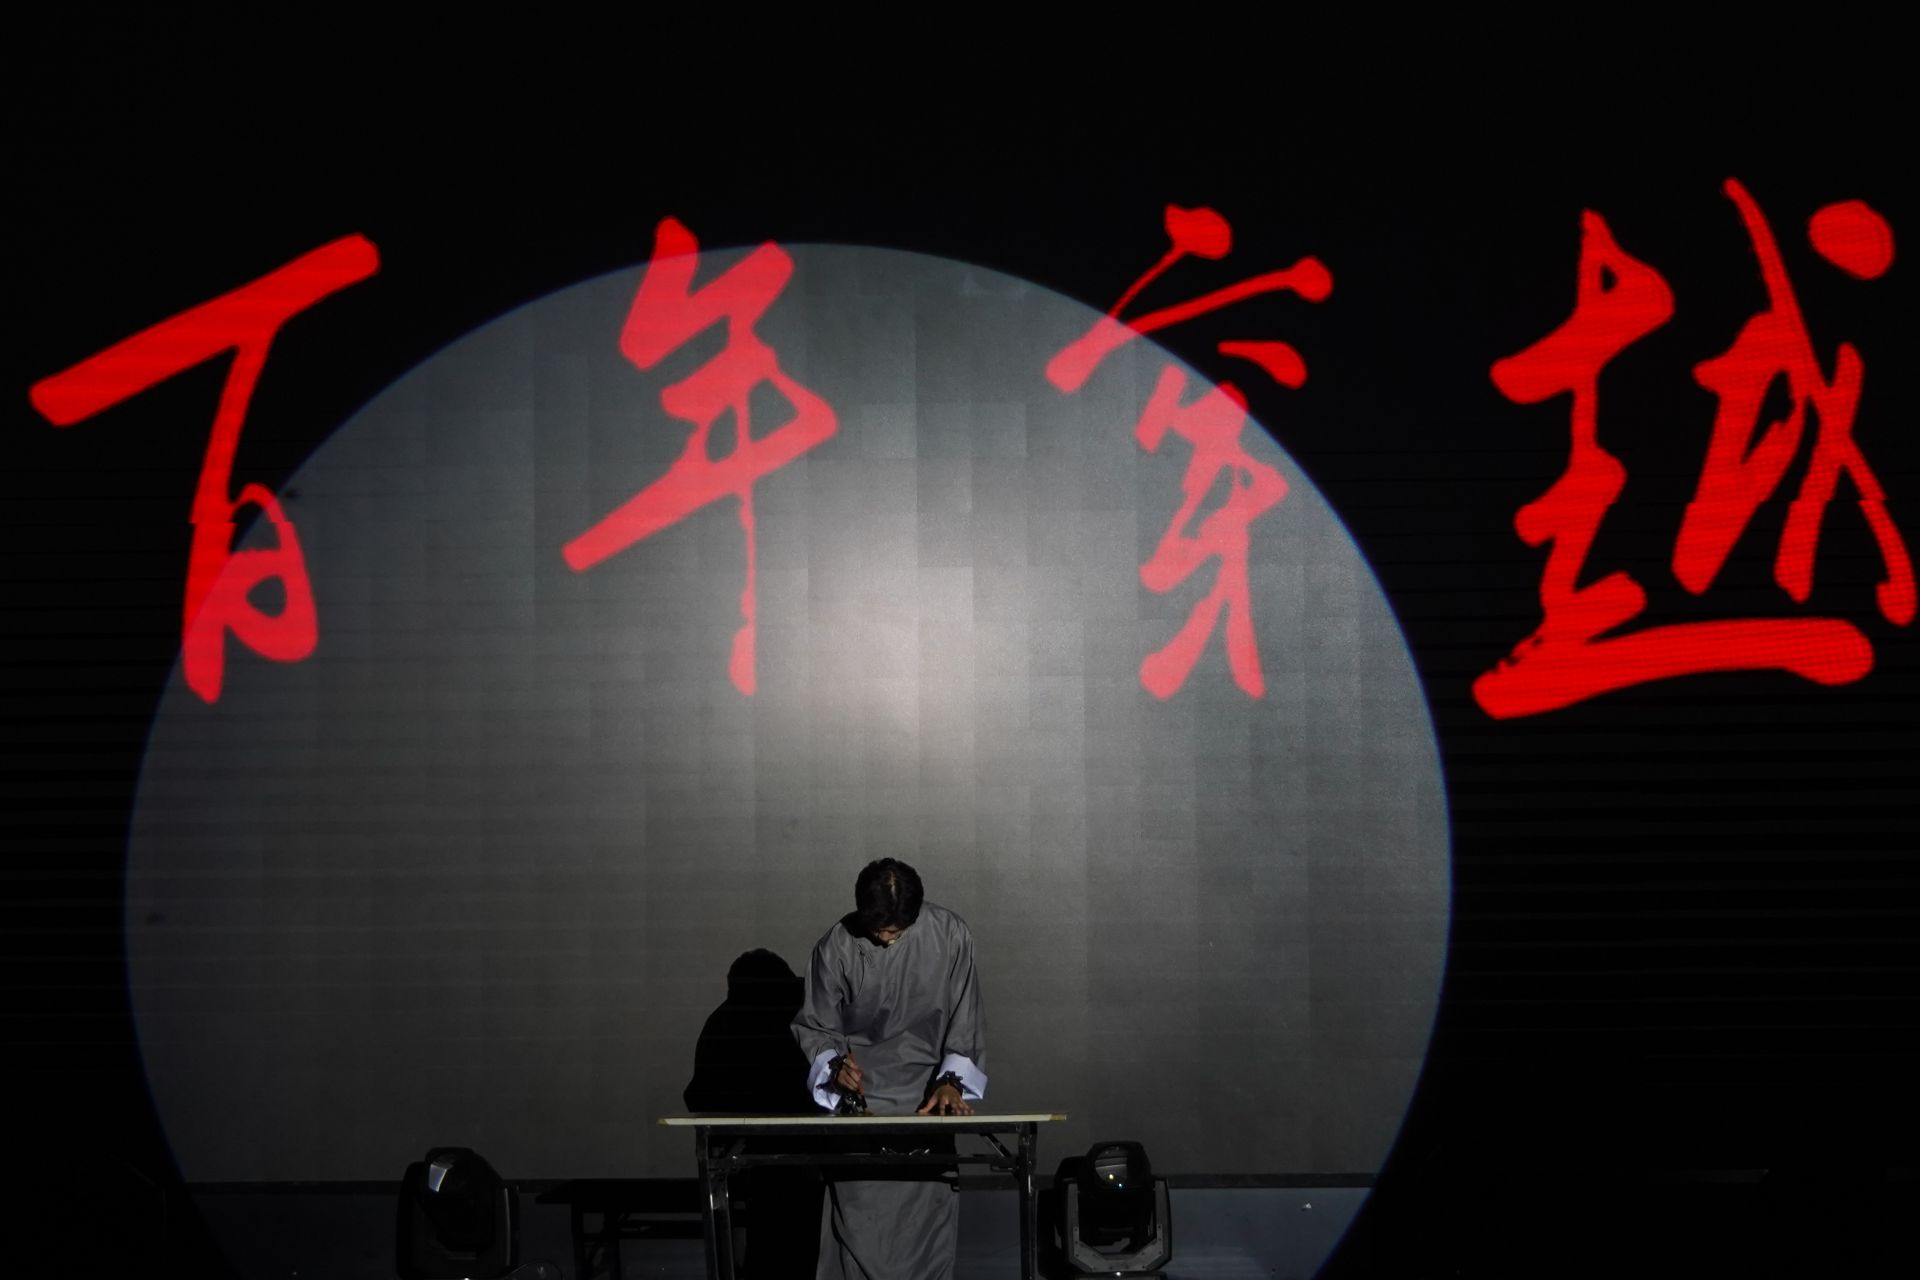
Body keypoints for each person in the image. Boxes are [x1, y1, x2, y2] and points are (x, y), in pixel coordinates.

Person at [791, 858, 986, 1280]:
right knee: (858, 1235)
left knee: (926, 1239)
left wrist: (951, 1082)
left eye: (896, 930)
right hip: (861, 1107)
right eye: (878, 928)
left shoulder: (951, 934)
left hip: (928, 1104)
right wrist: (834, 1066)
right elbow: (816, 1025)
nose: (885, 938)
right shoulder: (837, 946)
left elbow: (965, 1015)